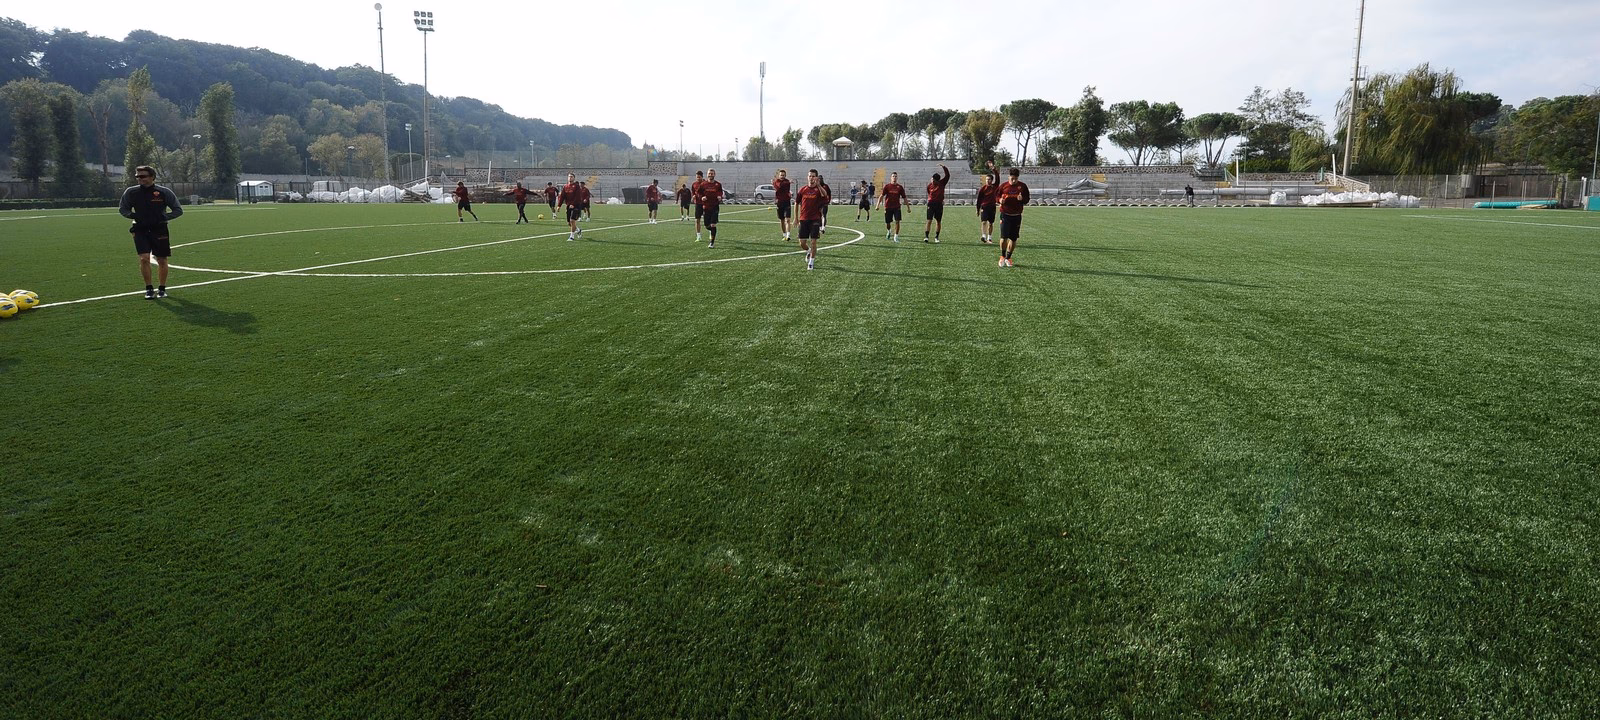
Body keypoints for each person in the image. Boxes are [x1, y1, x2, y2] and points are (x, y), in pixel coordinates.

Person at [119, 165, 183, 299]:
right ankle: (148, 289)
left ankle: (162, 289)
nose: (139, 179)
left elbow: (178, 210)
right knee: (143, 259)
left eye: (142, 176)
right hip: (140, 228)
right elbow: (123, 209)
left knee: (162, 259)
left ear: (152, 177)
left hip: (159, 229)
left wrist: (163, 217)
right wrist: (133, 216)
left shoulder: (164, 192)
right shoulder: (131, 192)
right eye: (137, 176)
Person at [794, 168, 830, 271]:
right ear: (807, 177)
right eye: (810, 176)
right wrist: (796, 218)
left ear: (816, 178)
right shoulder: (802, 189)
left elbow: (825, 195)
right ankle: (808, 251)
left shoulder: (819, 190)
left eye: (813, 176)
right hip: (803, 219)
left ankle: (811, 262)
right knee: (802, 243)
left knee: (813, 241)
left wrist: (818, 185)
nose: (811, 178)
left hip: (815, 219)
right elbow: (796, 203)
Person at [995, 163, 1030, 267]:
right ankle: (1002, 256)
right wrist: (1000, 200)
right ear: (1009, 177)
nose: (1013, 180)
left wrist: (1022, 199)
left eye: (1015, 178)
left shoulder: (1022, 186)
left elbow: (1027, 199)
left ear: (1018, 178)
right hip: (1005, 214)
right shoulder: (1003, 186)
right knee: (1003, 237)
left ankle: (1008, 258)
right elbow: (996, 197)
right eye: (1012, 178)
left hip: (1017, 215)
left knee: (1013, 238)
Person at [697, 168, 725, 248]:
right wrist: (702, 197)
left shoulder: (718, 184)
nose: (711, 175)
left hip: (715, 207)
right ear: (707, 174)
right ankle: (713, 232)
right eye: (709, 173)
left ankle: (712, 242)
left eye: (712, 174)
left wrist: (720, 196)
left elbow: (720, 192)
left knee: (713, 224)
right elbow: (698, 193)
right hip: (706, 207)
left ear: (714, 175)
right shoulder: (703, 184)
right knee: (707, 225)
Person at [923, 164, 950, 243]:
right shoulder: (929, 186)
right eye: (932, 179)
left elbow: (948, 175)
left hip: (939, 204)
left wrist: (944, 167)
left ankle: (936, 237)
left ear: (937, 180)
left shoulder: (942, 183)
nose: (932, 181)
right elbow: (929, 193)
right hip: (931, 203)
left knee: (938, 221)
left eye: (934, 180)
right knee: (929, 220)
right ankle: (926, 236)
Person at [877, 171, 908, 242]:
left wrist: (908, 207)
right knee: (888, 223)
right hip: (888, 207)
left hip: (897, 207)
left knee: (897, 221)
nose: (894, 177)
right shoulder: (887, 186)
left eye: (895, 176)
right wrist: (877, 205)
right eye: (893, 176)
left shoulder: (900, 187)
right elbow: (881, 196)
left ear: (897, 178)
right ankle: (889, 231)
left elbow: (904, 197)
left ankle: (896, 236)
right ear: (891, 178)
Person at [975, 166, 999, 244]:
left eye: (989, 179)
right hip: (984, 207)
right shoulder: (983, 189)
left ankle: (990, 237)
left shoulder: (994, 187)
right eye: (986, 179)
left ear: (992, 180)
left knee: (991, 223)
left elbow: (998, 177)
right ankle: (984, 236)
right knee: (984, 221)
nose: (987, 181)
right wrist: (977, 209)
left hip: (992, 207)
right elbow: (979, 200)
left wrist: (993, 169)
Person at [558, 172, 584, 240]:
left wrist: (573, 204)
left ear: (574, 178)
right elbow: (562, 196)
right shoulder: (565, 186)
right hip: (568, 206)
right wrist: (559, 205)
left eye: (571, 176)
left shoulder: (576, 186)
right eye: (569, 176)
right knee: (569, 223)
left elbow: (578, 196)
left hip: (576, 206)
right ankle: (578, 230)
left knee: (572, 220)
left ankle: (571, 236)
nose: (570, 178)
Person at [773, 168, 793, 241]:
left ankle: (788, 235)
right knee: (782, 220)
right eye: (781, 175)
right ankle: (784, 234)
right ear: (779, 175)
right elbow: (779, 186)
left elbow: (784, 185)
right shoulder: (777, 182)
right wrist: (789, 182)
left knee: (787, 219)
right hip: (779, 203)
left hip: (787, 202)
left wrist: (788, 182)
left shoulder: (786, 182)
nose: (782, 176)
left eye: (784, 175)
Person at [691, 170, 706, 241]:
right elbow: (693, 192)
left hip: (706, 204)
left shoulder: (706, 183)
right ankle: (698, 236)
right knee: (697, 220)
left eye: (699, 177)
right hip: (698, 204)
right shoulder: (694, 184)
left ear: (702, 177)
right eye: (697, 177)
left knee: (707, 220)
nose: (698, 179)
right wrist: (693, 196)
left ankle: (710, 232)